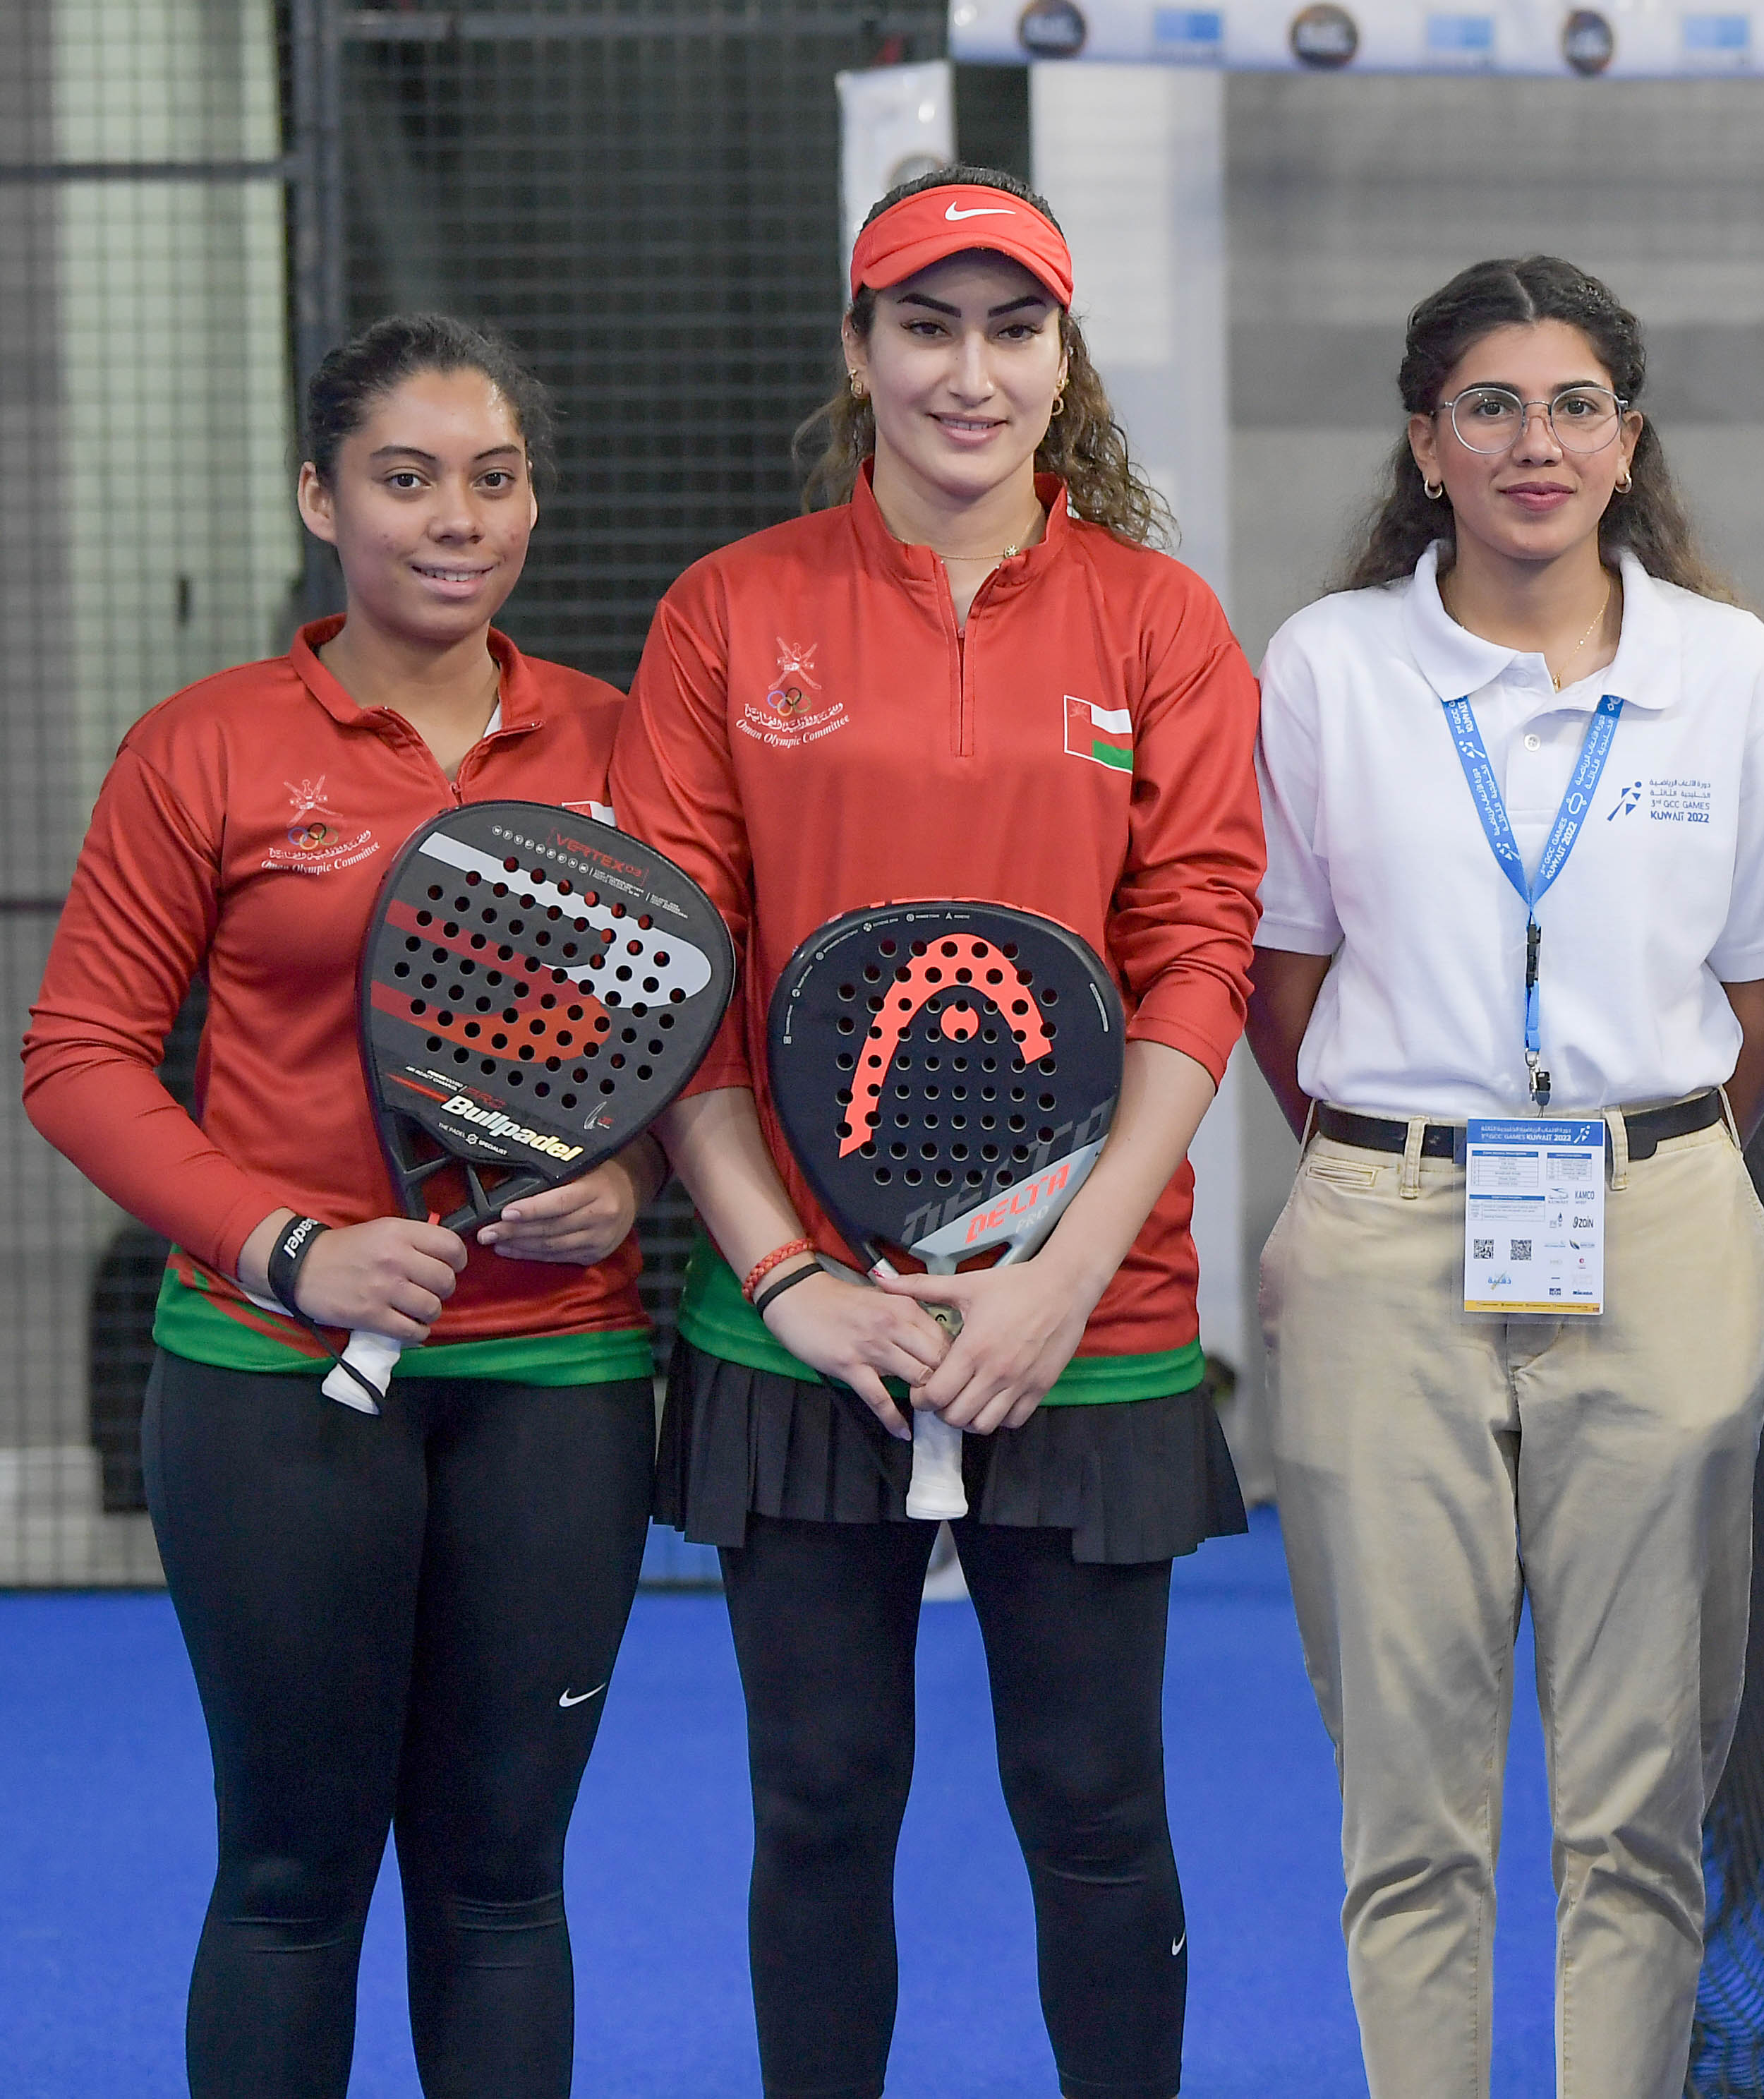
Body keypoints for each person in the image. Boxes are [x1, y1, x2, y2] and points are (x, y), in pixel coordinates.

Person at [609, 166, 1259, 2099]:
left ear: (1062, 356)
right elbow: (681, 979)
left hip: (1092, 1320)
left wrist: (1060, 1274)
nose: (969, 373)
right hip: (796, 1333)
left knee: (1094, 1807)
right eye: (926, 325)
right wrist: (791, 1274)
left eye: (1012, 327)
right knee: (819, 1801)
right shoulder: (730, 613)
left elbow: (1196, 960)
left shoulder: (1158, 620)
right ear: (858, 348)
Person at [22, 315, 656, 2098]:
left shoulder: (623, 748)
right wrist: (286, 1244)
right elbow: (77, 1055)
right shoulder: (204, 749)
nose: (456, 516)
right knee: (294, 1876)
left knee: (505, 1886)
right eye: (404, 476)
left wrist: (633, 1180)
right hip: (267, 1380)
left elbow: (706, 1047)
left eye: (494, 474)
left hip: (558, 1388)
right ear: (320, 498)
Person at [1243, 254, 1764, 2099]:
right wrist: (1400, 1157)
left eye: (1573, 405)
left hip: (1659, 1228)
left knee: (1636, 1812)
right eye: (1488, 406)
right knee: (1408, 1816)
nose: (1532, 441)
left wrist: (1634, 1164)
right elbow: (1283, 980)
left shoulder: (1727, 670)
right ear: (1425, 443)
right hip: (1379, 1245)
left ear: (1626, 438)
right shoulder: (1329, 664)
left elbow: (1763, 1000)